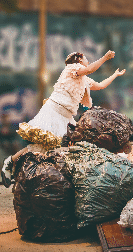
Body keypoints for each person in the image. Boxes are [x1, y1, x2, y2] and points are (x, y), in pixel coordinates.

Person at [1, 50, 126, 187]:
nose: (88, 61)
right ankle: (11, 163)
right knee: (43, 147)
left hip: (66, 117)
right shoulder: (72, 68)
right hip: (55, 111)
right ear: (78, 59)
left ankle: (28, 172)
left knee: (54, 150)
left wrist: (115, 74)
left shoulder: (84, 79)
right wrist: (105, 58)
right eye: (85, 58)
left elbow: (101, 85)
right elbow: (90, 69)